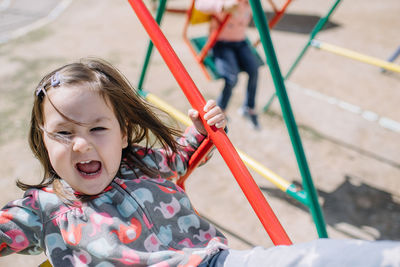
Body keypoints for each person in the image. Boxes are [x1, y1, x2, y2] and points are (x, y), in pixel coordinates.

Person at [1, 58, 400, 267]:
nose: (81, 145)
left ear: (123, 134)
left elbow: (183, 156)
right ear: (43, 139)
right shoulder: (43, 209)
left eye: (98, 129)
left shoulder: (143, 163)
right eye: (64, 133)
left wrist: (203, 131)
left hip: (212, 262)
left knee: (320, 259)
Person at [195, 0, 262, 130]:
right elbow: (199, 4)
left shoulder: (249, 3)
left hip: (240, 42)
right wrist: (222, 6)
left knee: (254, 69)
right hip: (221, 43)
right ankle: (221, 110)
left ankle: (248, 108)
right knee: (232, 77)